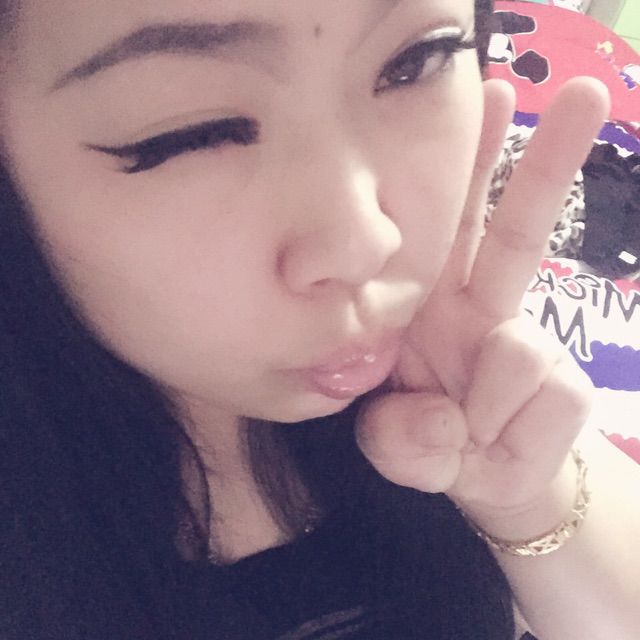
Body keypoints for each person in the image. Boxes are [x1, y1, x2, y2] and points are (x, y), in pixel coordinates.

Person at [0, 1, 637, 638]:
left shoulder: (451, 350)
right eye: (193, 135)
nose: (367, 245)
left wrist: (529, 501)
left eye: (417, 61)